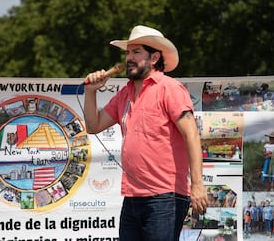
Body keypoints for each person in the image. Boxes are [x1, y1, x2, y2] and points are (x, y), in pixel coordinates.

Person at [83, 25, 208, 240]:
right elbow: (94, 126)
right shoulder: (125, 93)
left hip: (164, 196)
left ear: (154, 57)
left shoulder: (169, 88)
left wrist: (197, 185)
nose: (129, 58)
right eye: (128, 53)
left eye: (136, 52)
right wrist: (90, 92)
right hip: (132, 197)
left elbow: (192, 134)